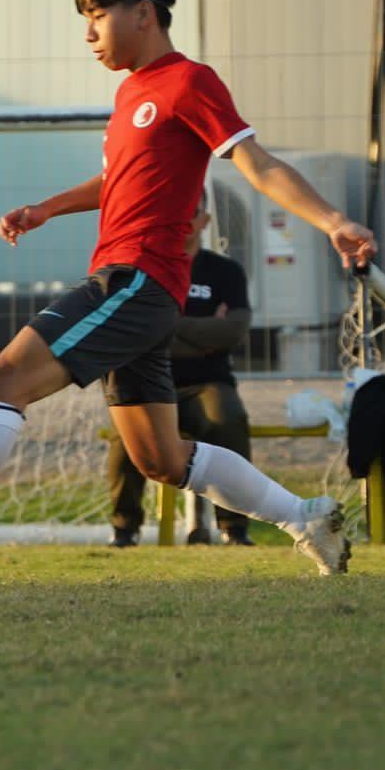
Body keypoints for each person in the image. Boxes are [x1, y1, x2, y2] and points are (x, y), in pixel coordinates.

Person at [0, 0, 375, 573]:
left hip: (136, 280)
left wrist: (333, 222)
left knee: (5, 381)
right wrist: (47, 208)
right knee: (161, 460)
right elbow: (116, 180)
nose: (88, 33)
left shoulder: (189, 82)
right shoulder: (130, 94)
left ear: (142, 13)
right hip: (139, 290)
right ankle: (305, 517)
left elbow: (256, 163)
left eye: (96, 14)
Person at [105, 196, 256, 546]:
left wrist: (165, 326)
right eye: (175, 214)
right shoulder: (145, 270)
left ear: (205, 220)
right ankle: (124, 530)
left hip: (208, 382)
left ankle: (234, 527)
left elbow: (233, 331)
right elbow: (131, 334)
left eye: (191, 215)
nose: (183, 222)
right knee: (125, 439)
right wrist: (202, 332)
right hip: (150, 382)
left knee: (227, 419)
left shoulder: (224, 272)